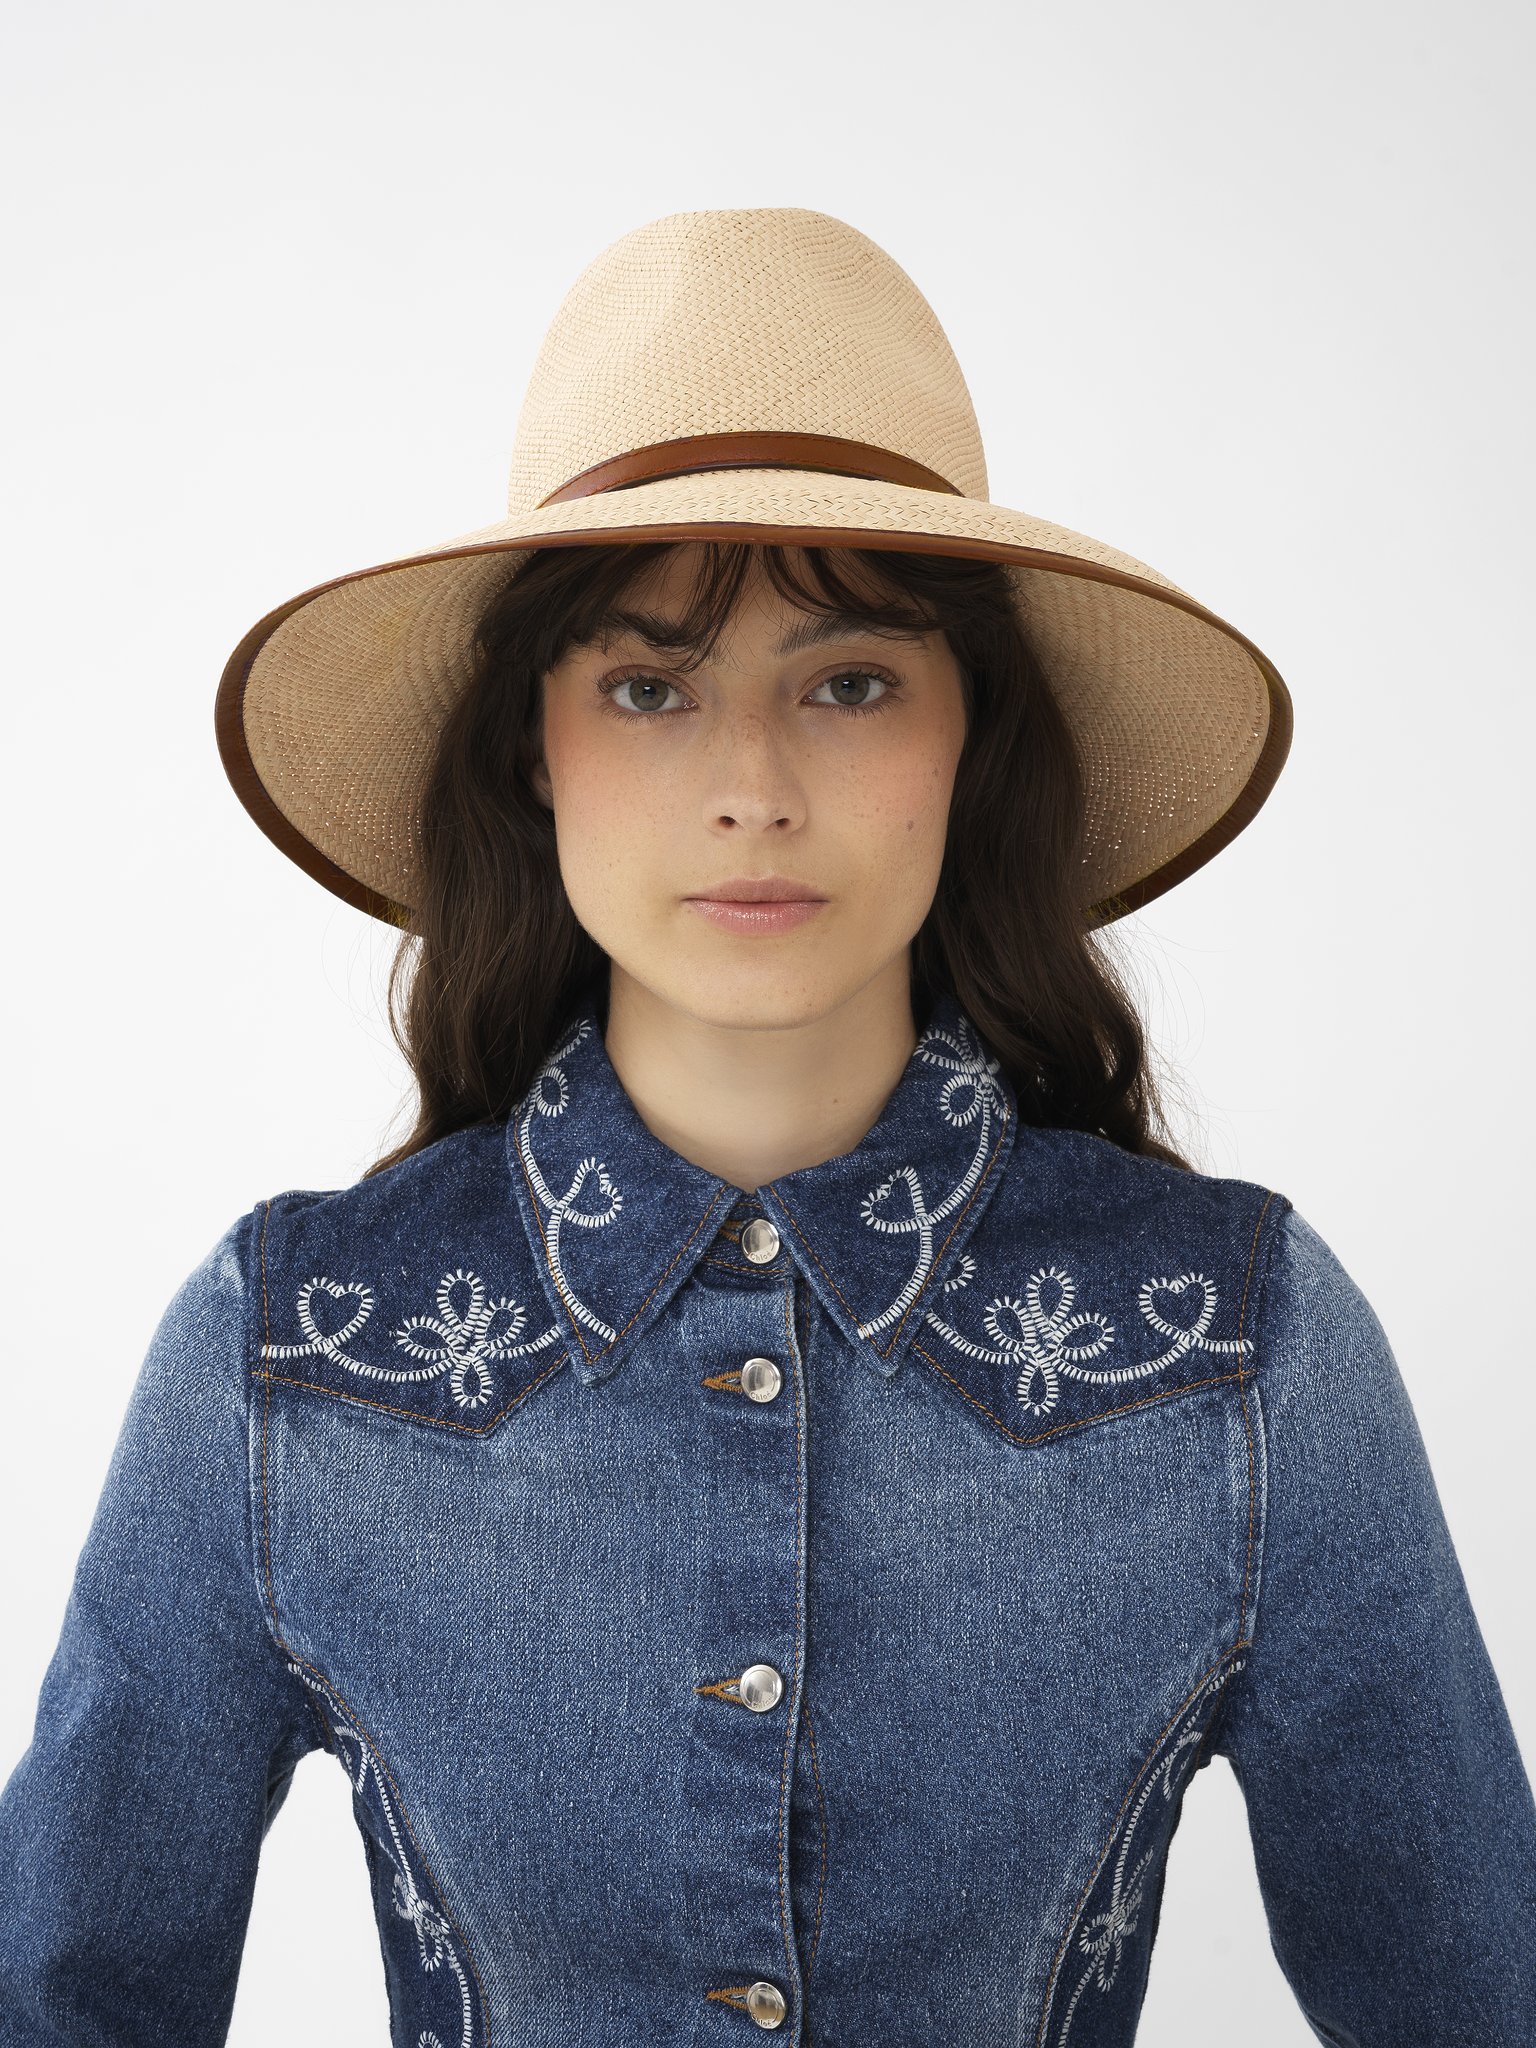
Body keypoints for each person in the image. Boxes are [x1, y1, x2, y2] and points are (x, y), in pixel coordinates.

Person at [1, 206, 1531, 2046]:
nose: (751, 789)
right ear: (531, 755)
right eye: (648, 687)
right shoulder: (293, 1360)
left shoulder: (1232, 1351)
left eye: (852, 682)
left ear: (978, 743)